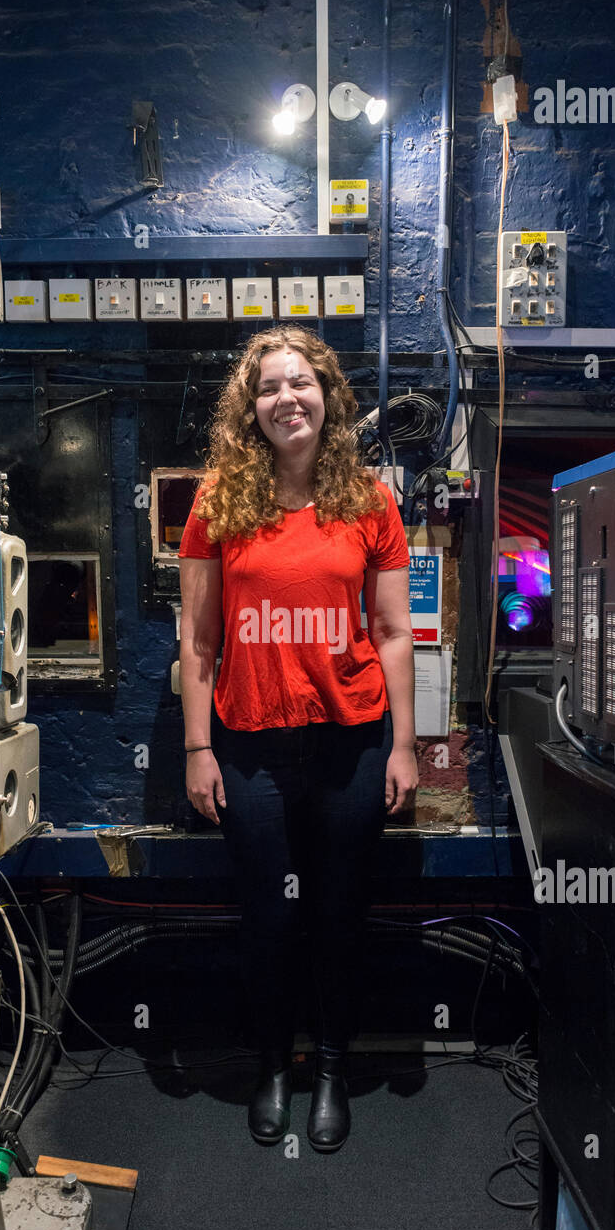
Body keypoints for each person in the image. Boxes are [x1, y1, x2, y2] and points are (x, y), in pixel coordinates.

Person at [178, 325, 417, 1153]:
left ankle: (331, 1071)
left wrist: (403, 744)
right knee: (267, 920)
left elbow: (392, 631)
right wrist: (197, 749)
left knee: (337, 915)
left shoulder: (371, 501)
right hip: (247, 745)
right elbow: (199, 642)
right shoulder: (217, 500)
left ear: (328, 396)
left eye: (301, 383)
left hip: (350, 743)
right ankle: (272, 1066)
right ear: (251, 409)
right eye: (269, 387)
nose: (287, 398)